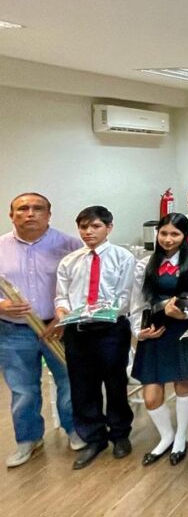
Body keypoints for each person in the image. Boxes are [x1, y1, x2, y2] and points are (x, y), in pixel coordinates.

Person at [0, 193, 82, 468]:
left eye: (37, 208)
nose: (30, 213)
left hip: (59, 328)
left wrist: (64, 317)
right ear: (12, 215)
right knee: (23, 389)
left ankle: (75, 430)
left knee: (69, 382)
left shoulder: (70, 245)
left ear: (48, 214)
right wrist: (1, 305)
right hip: (13, 331)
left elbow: (82, 287)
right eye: (23, 209)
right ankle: (28, 439)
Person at [54, 205, 137, 470]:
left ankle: (120, 435)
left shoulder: (123, 257)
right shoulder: (69, 261)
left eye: (95, 226)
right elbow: (62, 296)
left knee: (115, 384)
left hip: (111, 329)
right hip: (78, 331)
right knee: (82, 387)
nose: (89, 232)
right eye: (83, 227)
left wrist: (104, 311)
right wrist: (62, 310)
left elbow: (126, 296)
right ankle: (94, 438)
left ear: (109, 227)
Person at [130, 213, 188, 467]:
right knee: (151, 395)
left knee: (183, 383)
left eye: (175, 234)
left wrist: (183, 314)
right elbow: (137, 303)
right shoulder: (144, 265)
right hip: (153, 332)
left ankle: (180, 437)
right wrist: (139, 331)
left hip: (183, 330)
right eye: (163, 233)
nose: (168, 239)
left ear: (185, 237)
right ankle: (166, 436)